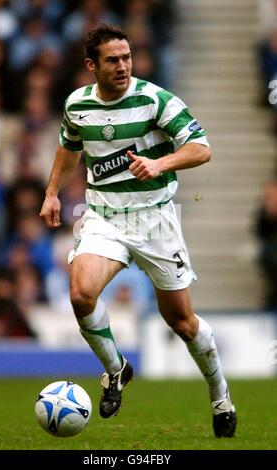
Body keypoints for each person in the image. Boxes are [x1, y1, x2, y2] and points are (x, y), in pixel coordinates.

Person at [40, 24, 237, 438]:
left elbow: (202, 147)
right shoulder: (77, 104)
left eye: (127, 57)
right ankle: (116, 370)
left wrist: (160, 164)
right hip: (104, 217)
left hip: (155, 220)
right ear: (92, 65)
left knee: (181, 322)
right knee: (80, 292)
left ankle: (220, 394)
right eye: (112, 60)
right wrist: (53, 192)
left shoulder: (155, 100)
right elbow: (69, 145)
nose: (123, 66)